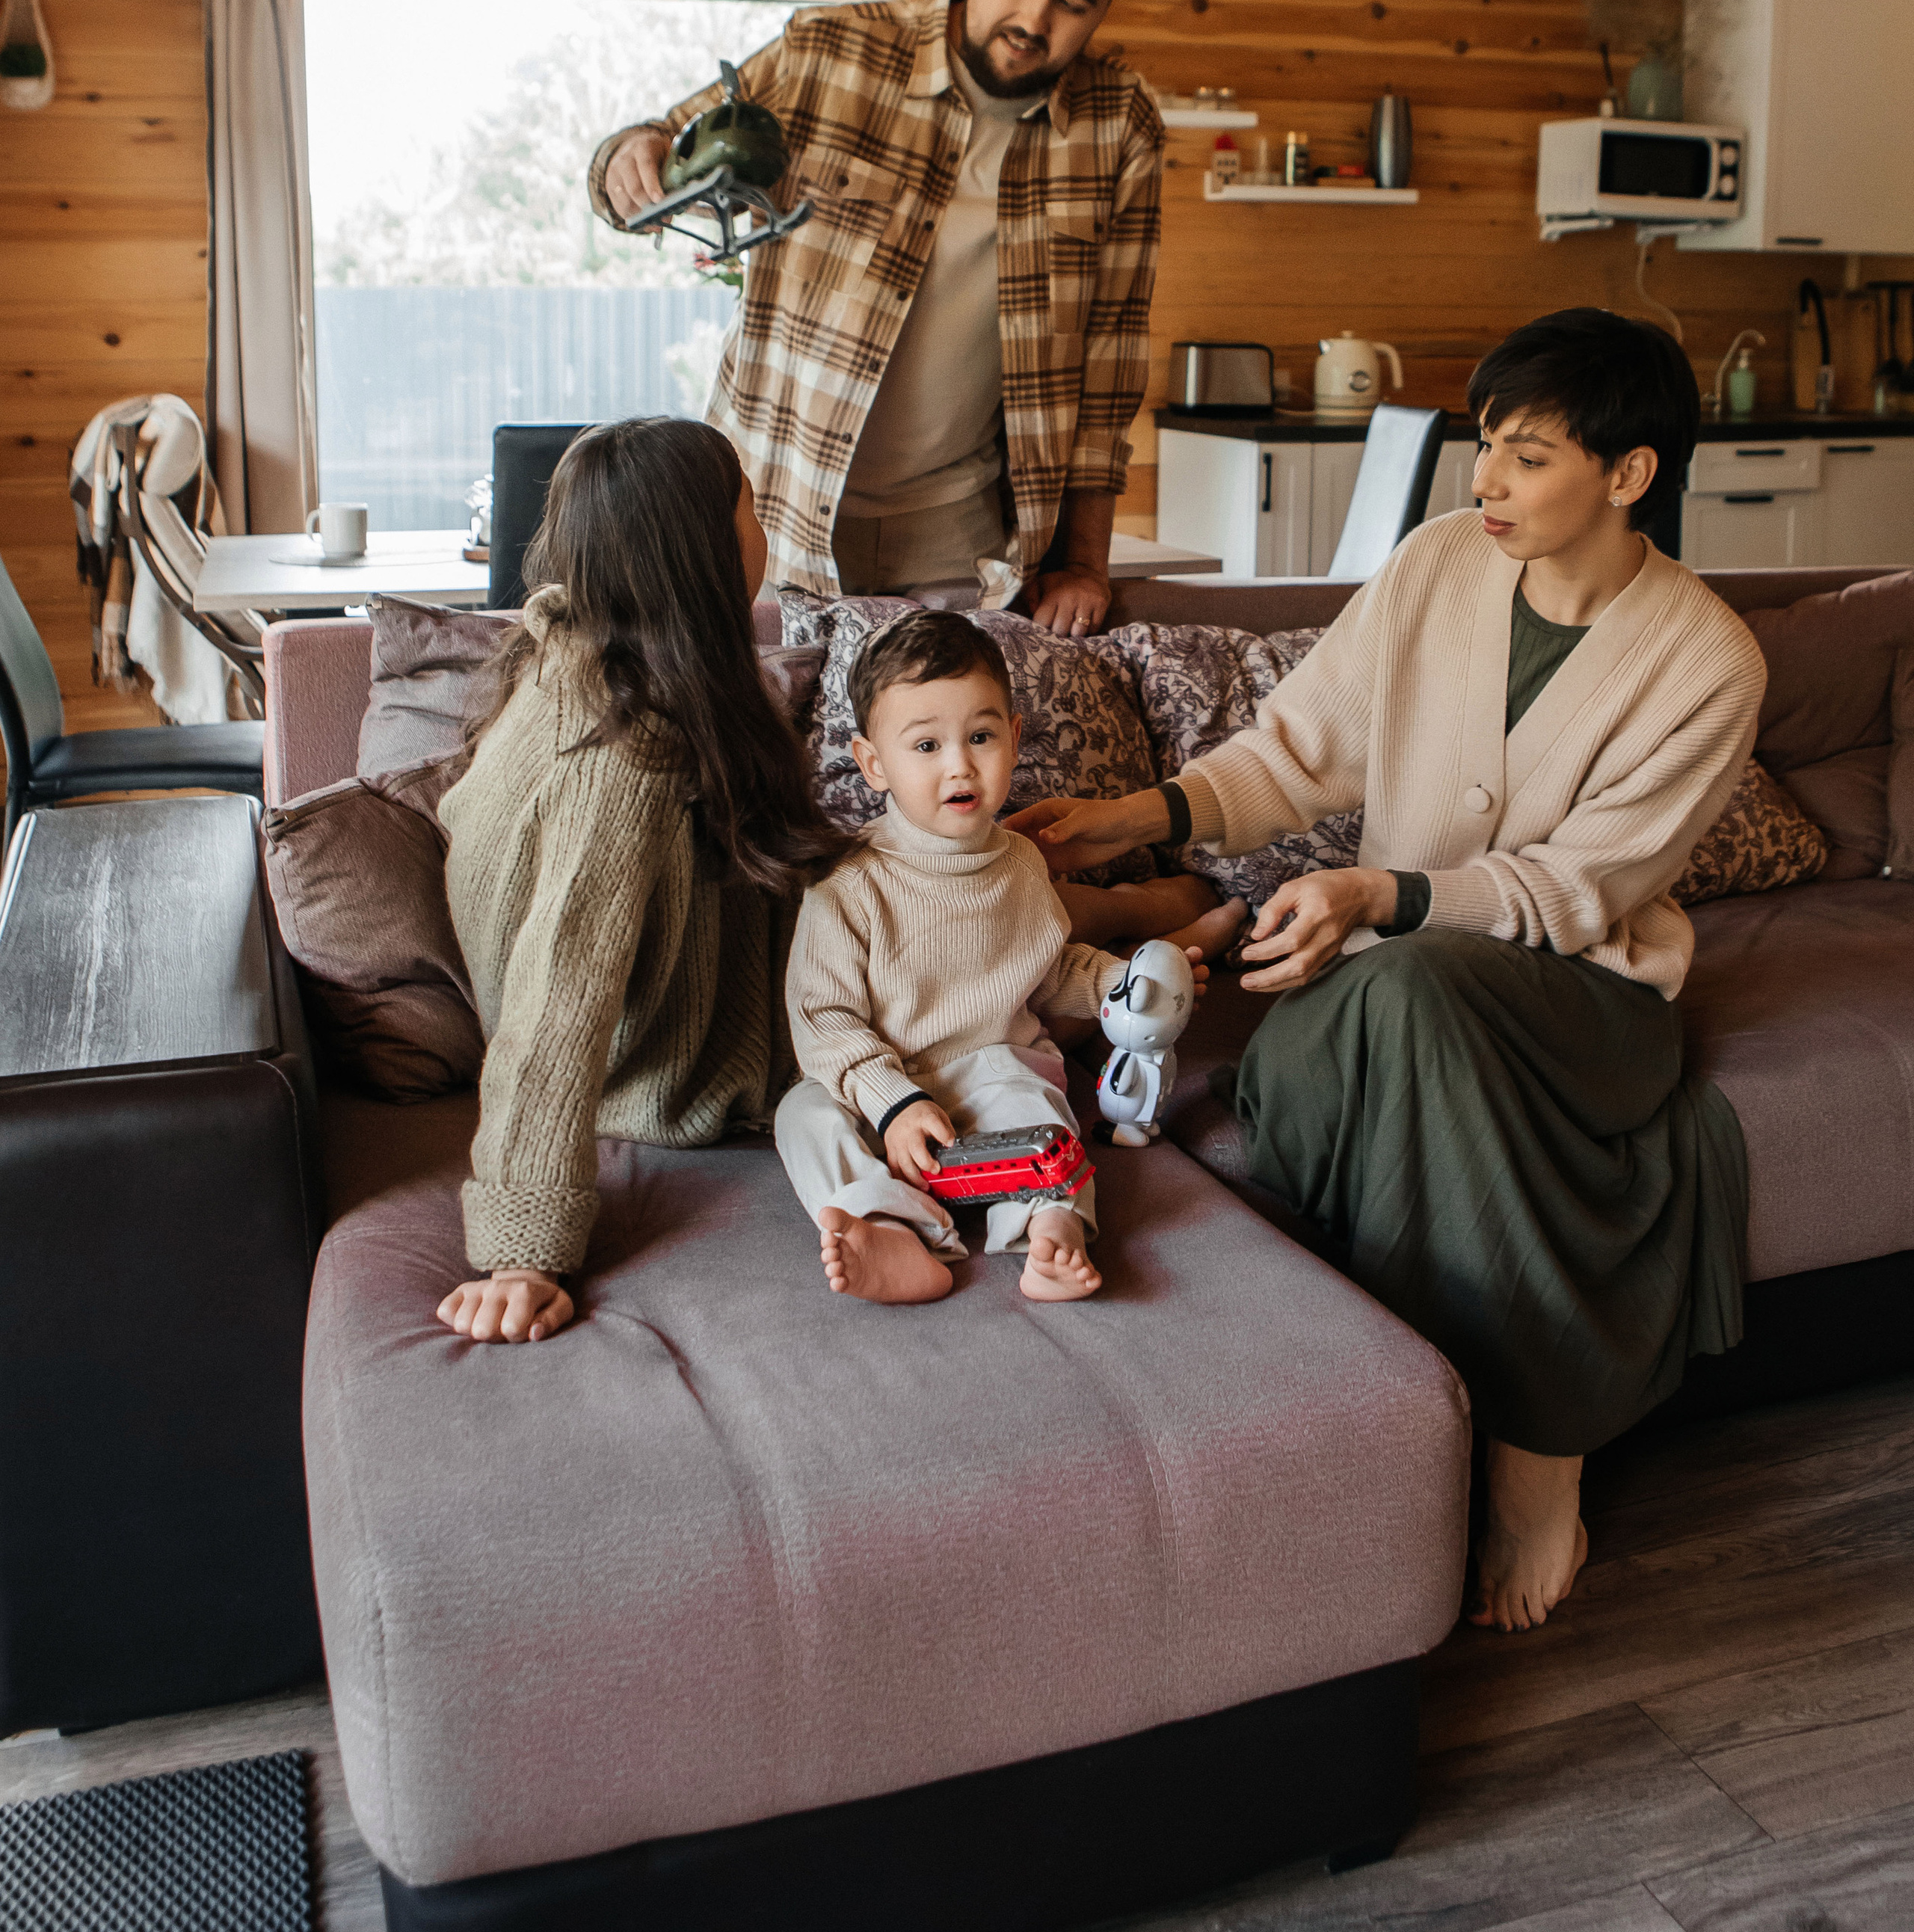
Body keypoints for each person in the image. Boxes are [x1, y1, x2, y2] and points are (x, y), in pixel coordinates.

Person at [1007, 310, 1767, 1633]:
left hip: (1587, 1004)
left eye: (1527, 458)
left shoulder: (1710, 658)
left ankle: (1530, 1459)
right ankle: (1457, 1438)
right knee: (1396, 1007)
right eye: (1485, 448)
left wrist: (1383, 892)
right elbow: (1295, 754)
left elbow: (1582, 887)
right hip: (1394, 984)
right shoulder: (1434, 569)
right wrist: (1126, 820)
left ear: (1629, 473)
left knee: (1408, 990)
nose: (1485, 483)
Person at [587, 0, 1163, 631]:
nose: (1034, 21)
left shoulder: (1119, 127)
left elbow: (1109, 368)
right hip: (774, 512)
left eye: (1074, 2)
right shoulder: (829, 51)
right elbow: (657, 143)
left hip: (961, 542)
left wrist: (1084, 563)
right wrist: (632, 156)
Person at [434, 417, 845, 1348]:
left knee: (955, 869)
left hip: (700, 997)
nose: (763, 523)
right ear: (707, 545)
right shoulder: (619, 756)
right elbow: (558, 993)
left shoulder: (590, 661)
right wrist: (522, 1250)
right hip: (667, 1075)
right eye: (749, 500)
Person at [774, 609, 1211, 1306]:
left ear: (1013, 739)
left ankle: (1050, 1229)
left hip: (991, 1072)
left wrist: (1121, 990)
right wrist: (893, 1104)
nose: (959, 764)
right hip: (882, 1095)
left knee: (1036, 1093)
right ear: (873, 764)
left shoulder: (1021, 864)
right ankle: (892, 1227)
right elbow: (822, 1018)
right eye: (925, 746)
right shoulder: (848, 880)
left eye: (980, 736)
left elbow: (1050, 965)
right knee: (802, 1112)